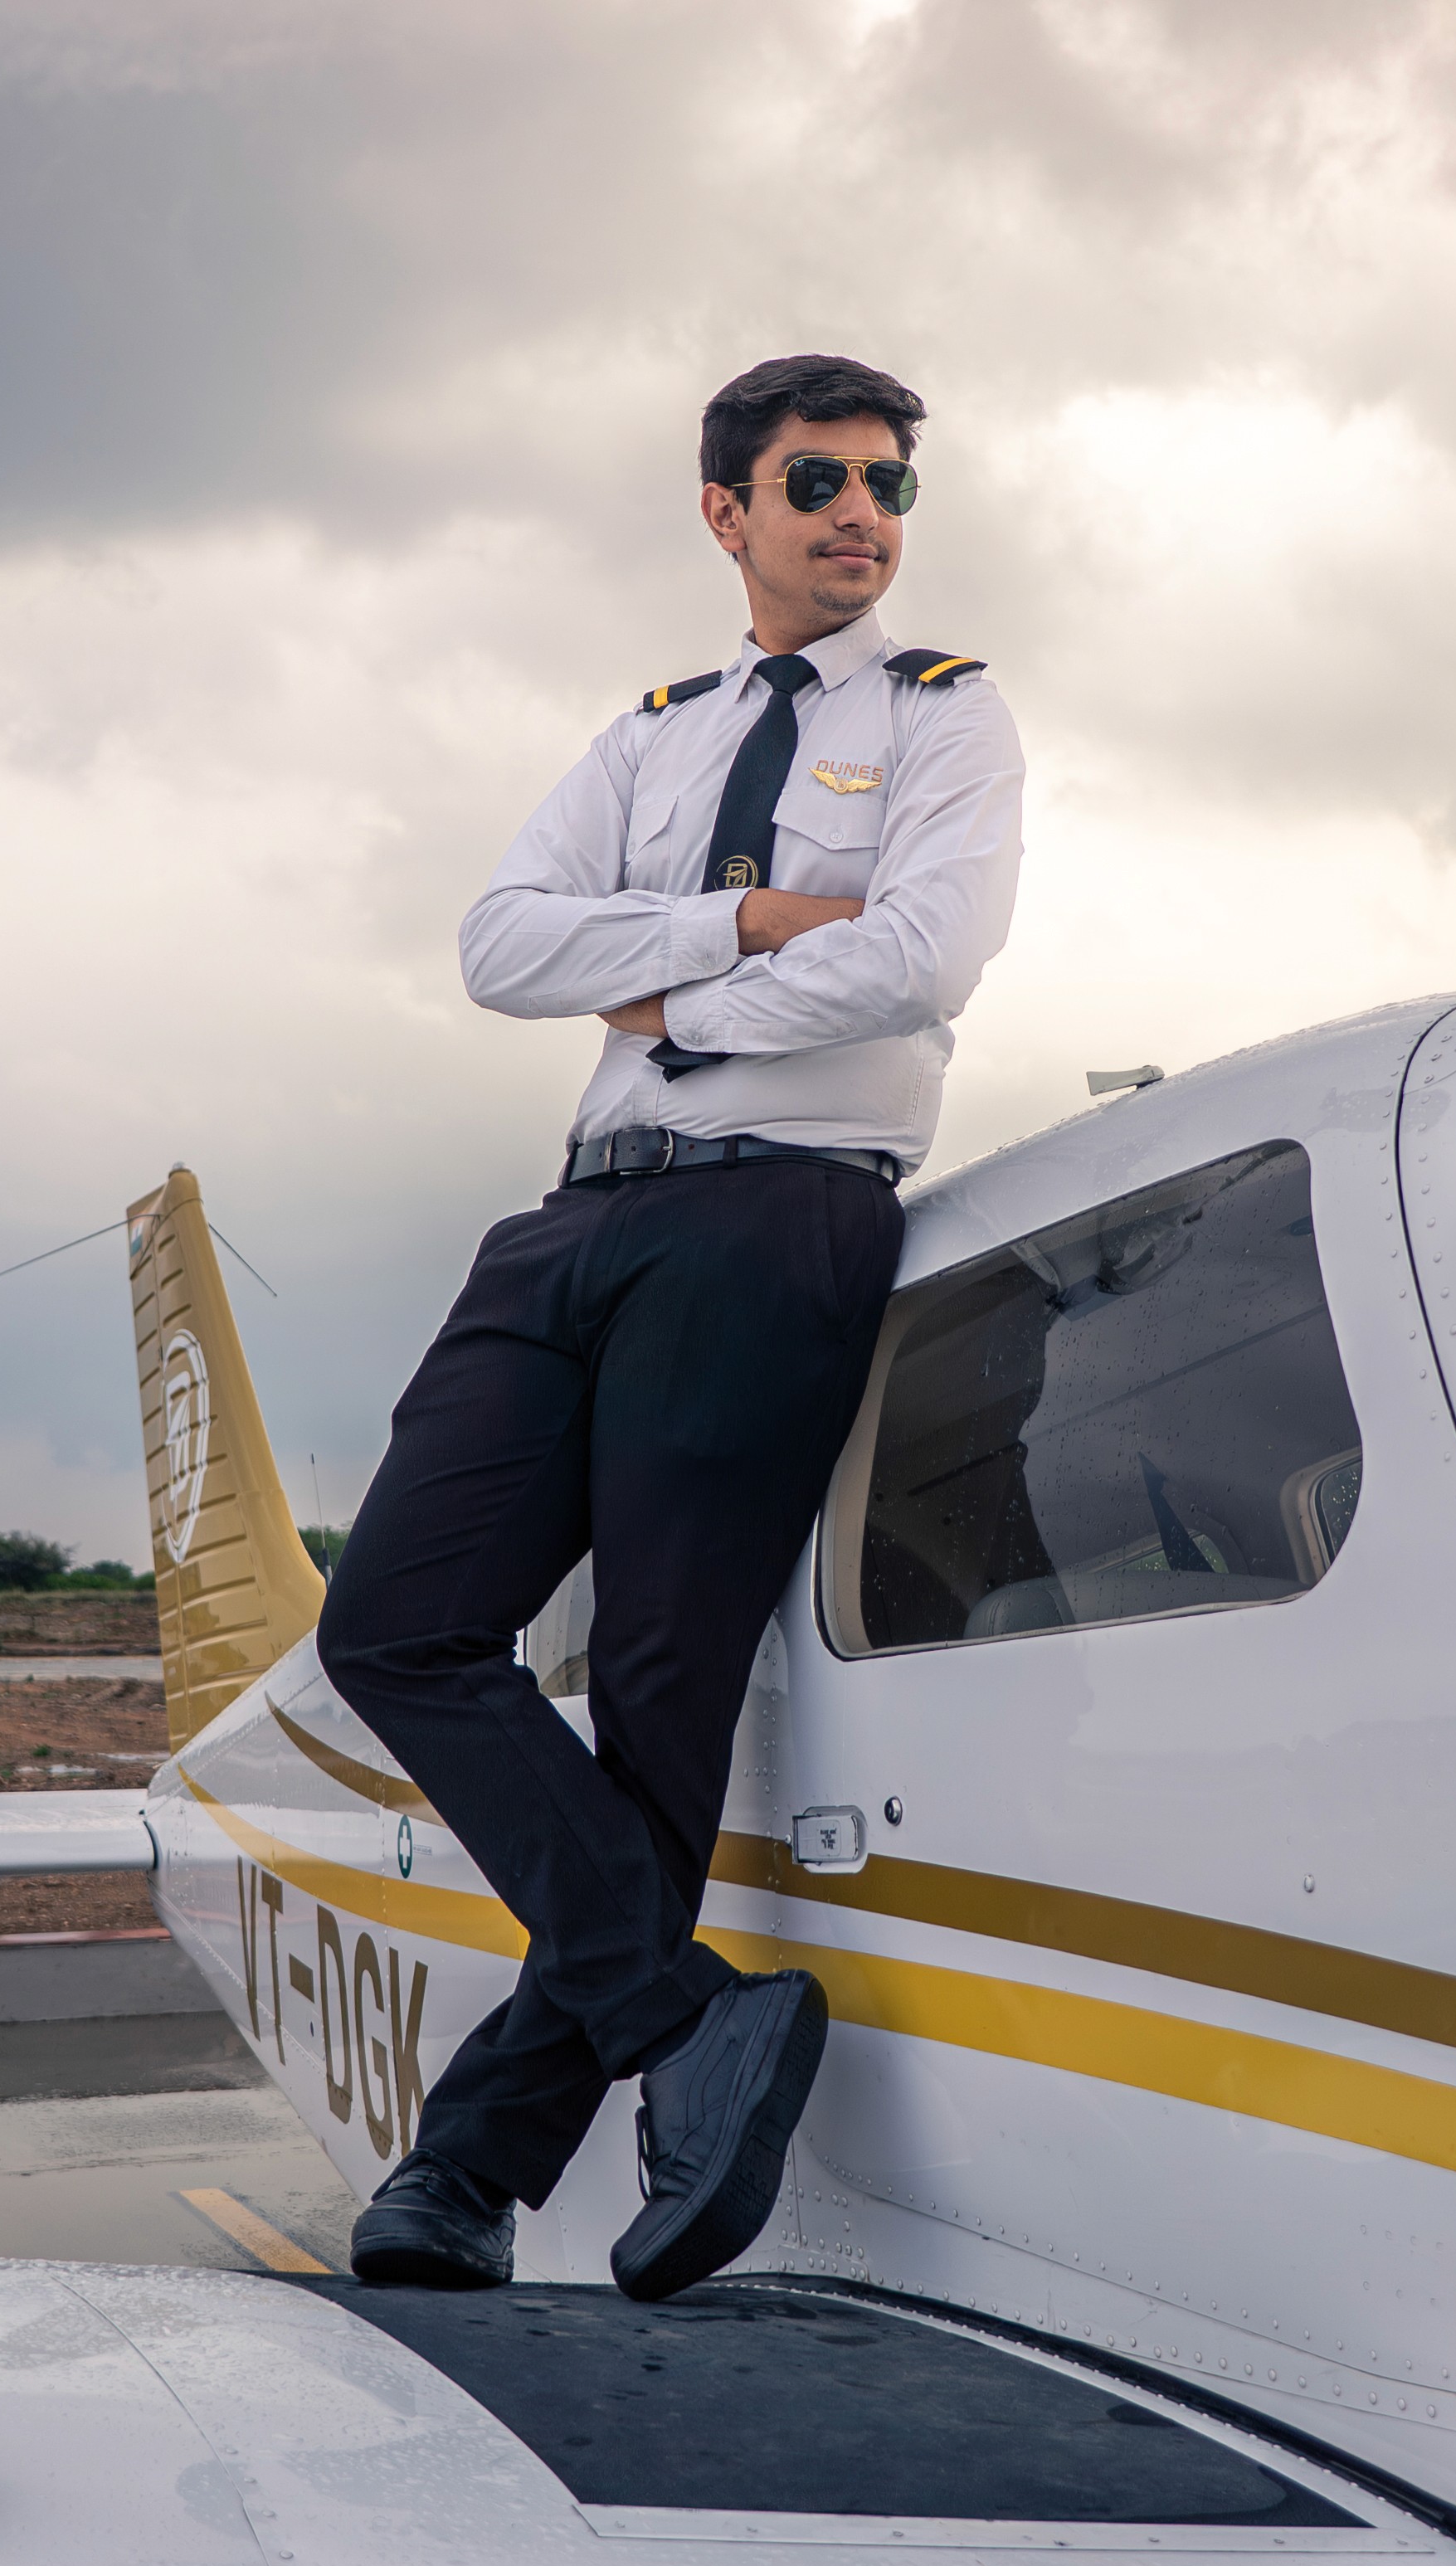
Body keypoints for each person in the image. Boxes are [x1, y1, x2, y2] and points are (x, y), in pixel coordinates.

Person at [314, 351, 1025, 2297]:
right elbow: (495, 946)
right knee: (391, 1624)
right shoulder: (651, 734)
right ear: (726, 511)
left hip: (777, 1217)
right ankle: (676, 2018)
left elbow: (923, 962)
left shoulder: (950, 724)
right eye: (817, 482)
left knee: (655, 1702)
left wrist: (665, 1006)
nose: (860, 516)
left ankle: (462, 2174)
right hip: (576, 1222)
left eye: (886, 484)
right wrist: (741, 926)